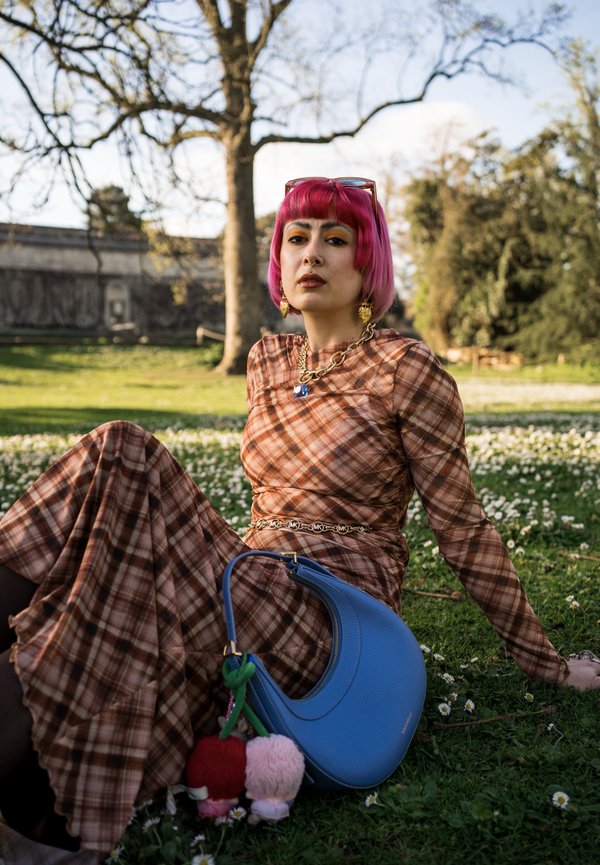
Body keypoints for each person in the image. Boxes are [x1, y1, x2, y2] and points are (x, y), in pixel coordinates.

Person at [1, 176, 598, 856]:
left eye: (336, 239)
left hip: (332, 614)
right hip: (251, 578)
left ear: (367, 263)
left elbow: (462, 529)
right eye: (296, 237)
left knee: (124, 450)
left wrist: (546, 662)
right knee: (101, 573)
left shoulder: (405, 367)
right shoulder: (267, 361)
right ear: (280, 262)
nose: (311, 252)